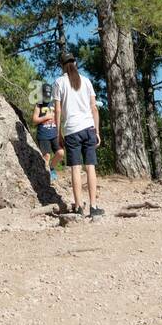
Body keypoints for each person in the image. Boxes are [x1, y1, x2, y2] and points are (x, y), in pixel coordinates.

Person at [53, 53, 105, 218]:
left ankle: (79, 207)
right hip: (88, 128)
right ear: (75, 62)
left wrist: (58, 133)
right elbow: (94, 108)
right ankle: (94, 207)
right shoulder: (87, 81)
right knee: (90, 167)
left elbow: (58, 110)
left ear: (61, 65)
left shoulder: (59, 82)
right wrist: (97, 131)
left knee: (75, 168)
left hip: (71, 130)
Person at [32, 82, 63, 182]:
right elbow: (34, 120)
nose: (47, 97)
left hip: (54, 133)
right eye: (45, 95)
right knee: (47, 156)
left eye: (48, 95)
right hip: (43, 135)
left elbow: (59, 116)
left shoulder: (54, 102)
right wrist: (45, 117)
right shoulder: (39, 104)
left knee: (60, 153)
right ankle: (45, 176)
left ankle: (52, 168)